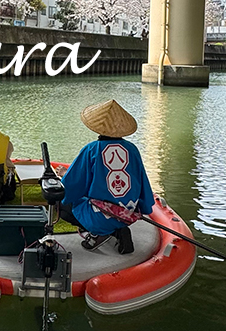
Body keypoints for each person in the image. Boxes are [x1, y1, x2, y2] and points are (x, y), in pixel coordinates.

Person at [58, 100, 155, 253]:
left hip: (99, 216)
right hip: (127, 214)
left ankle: (101, 233)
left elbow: (72, 186)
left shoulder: (92, 150)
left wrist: (64, 175)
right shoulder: (133, 150)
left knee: (62, 206)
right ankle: (118, 229)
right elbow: (142, 183)